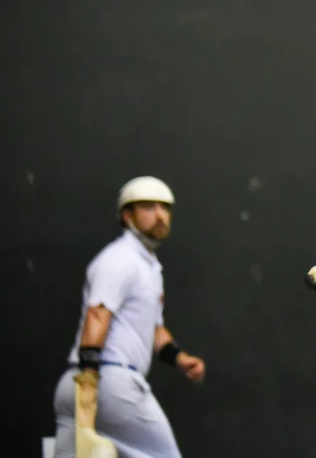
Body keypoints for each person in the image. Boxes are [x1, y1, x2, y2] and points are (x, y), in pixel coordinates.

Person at [51, 176, 207, 458]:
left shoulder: (148, 266)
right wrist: (89, 380)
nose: (159, 215)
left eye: (164, 207)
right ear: (127, 215)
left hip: (76, 387)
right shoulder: (121, 259)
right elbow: (97, 314)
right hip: (106, 382)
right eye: (148, 207)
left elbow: (155, 329)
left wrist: (180, 358)